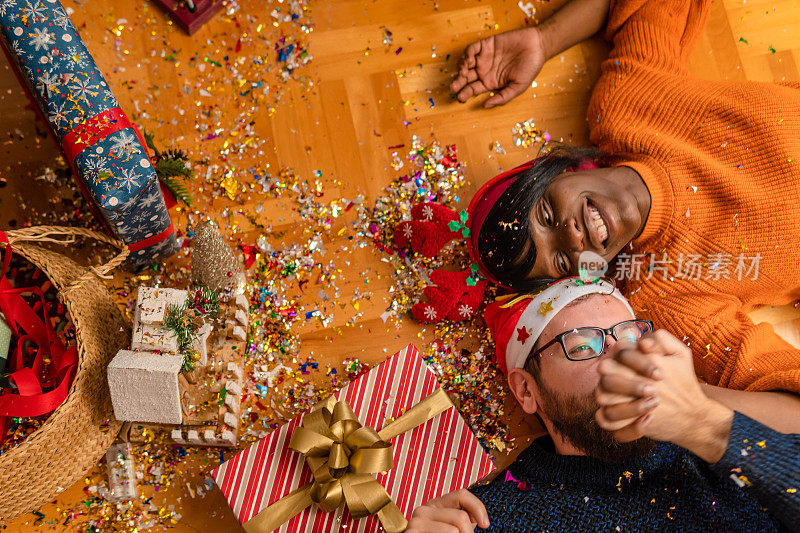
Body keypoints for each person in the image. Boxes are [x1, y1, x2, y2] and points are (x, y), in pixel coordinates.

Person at [441, 0, 800, 400]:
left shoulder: (627, 107)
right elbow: (771, 378)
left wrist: (545, 38)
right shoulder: (665, 298)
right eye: (561, 260)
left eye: (545, 213)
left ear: (556, 171)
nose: (572, 236)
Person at [406, 277, 800, 532]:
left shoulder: (719, 441)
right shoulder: (492, 514)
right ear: (527, 391)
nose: (617, 354)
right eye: (582, 345)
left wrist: (702, 420)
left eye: (628, 337)